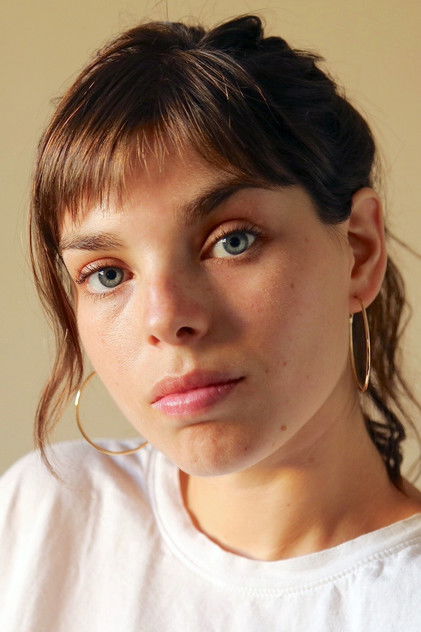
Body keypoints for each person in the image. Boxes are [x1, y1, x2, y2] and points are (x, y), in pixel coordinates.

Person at [1, 12, 420, 631]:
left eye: (232, 241)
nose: (166, 318)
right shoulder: (41, 519)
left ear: (358, 252)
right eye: (108, 274)